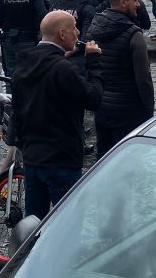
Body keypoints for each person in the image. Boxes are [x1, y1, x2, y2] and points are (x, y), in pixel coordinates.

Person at [12, 11, 103, 219]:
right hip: (61, 159)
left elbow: (18, 111)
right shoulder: (63, 69)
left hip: (33, 158)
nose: (78, 33)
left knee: (34, 224)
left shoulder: (24, 63)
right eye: (74, 28)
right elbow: (93, 99)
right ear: (62, 33)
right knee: (69, 224)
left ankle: (31, 253)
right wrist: (94, 62)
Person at [87, 0, 155, 157]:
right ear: (123, 2)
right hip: (128, 111)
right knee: (128, 161)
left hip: (102, 108)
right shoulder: (134, 34)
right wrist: (149, 110)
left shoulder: (94, 27)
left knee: (103, 158)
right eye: (135, 0)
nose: (138, 5)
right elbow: (143, 79)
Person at [0, 0, 47, 78]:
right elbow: (43, 17)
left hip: (8, 40)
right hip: (28, 39)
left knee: (10, 75)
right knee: (29, 73)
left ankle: (11, 95)